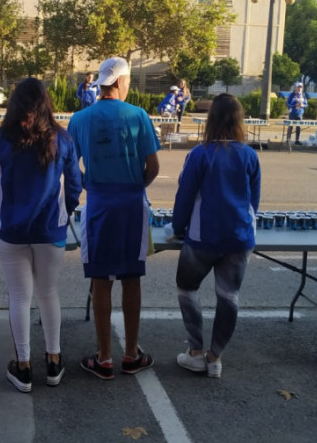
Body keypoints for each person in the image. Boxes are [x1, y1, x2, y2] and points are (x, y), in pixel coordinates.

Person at [0, 78, 82, 393]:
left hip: (10, 230)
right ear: (47, 102)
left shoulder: (0, 139)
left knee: (20, 297)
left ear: (14, 103)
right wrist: (63, 213)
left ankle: (24, 367)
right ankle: (54, 363)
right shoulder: (62, 138)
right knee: (48, 294)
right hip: (50, 230)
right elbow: (74, 186)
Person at [68, 57, 161, 380]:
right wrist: (134, 186)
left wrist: (90, 183)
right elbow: (153, 167)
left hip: (98, 205)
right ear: (122, 82)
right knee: (131, 278)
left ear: (101, 84)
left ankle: (104, 356)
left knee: (101, 278)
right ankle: (132, 354)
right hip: (132, 205)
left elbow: (70, 168)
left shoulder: (80, 119)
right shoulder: (138, 116)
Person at [171, 93, 261, 379]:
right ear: (239, 121)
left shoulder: (200, 154)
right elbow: (253, 202)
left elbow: (185, 196)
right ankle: (215, 357)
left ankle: (195, 352)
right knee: (228, 296)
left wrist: (177, 227)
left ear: (211, 120)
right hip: (239, 237)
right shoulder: (249, 155)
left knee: (187, 288)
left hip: (202, 237)